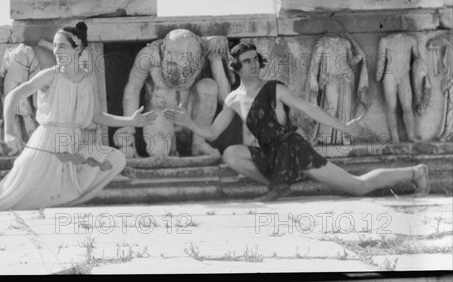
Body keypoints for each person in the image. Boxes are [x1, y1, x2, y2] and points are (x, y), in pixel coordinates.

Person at [0, 22, 156, 212]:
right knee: (6, 198)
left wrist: (131, 122)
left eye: (62, 47)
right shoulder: (49, 75)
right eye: (55, 46)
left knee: (115, 159)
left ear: (78, 49)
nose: (56, 51)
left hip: (73, 143)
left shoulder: (88, 78)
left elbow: (96, 116)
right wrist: (9, 131)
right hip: (47, 141)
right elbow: (13, 96)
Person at [162, 41, 430, 202]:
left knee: (357, 186)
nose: (254, 65)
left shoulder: (274, 88)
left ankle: (415, 172)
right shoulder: (233, 98)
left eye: (256, 60)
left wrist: (343, 127)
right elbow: (212, 133)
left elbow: (309, 109)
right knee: (231, 153)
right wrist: (187, 122)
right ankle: (279, 184)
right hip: (269, 154)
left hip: (294, 151)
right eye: (247, 61)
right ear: (237, 67)